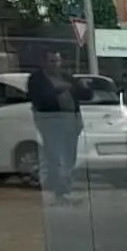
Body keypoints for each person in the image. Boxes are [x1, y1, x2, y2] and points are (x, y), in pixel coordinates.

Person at [26, 49, 82, 198]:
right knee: (55, 156)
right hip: (51, 120)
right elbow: (39, 100)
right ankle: (59, 190)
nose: (55, 65)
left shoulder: (66, 76)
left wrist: (83, 87)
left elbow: (83, 95)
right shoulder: (37, 79)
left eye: (57, 61)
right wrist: (58, 90)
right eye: (52, 61)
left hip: (71, 119)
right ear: (44, 62)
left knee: (70, 156)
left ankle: (66, 187)